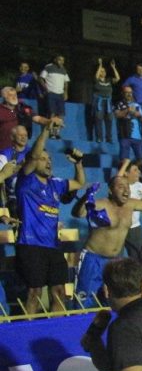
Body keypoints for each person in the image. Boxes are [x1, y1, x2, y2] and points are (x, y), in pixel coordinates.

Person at [15, 119, 85, 314]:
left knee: (59, 291)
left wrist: (78, 164)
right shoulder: (26, 181)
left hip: (53, 246)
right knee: (34, 293)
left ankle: (55, 329)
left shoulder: (55, 183)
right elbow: (34, 154)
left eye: (50, 160)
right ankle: (26, 333)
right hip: (31, 246)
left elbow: (79, 183)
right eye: (44, 159)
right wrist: (46, 130)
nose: (48, 162)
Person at [72, 175, 142, 308]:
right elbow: (78, 213)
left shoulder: (130, 204)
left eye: (127, 187)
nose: (126, 190)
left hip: (115, 261)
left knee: (114, 299)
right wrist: (86, 197)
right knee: (84, 301)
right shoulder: (102, 203)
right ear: (110, 191)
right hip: (93, 259)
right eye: (120, 186)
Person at [121, 63, 142, 143]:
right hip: (136, 104)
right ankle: (137, 138)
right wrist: (130, 97)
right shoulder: (132, 79)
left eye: (141, 69)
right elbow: (124, 87)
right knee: (136, 121)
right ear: (136, 70)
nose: (140, 70)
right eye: (138, 69)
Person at [114, 86, 142, 162]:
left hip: (137, 137)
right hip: (124, 135)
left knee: (141, 160)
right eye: (127, 92)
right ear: (123, 93)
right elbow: (117, 115)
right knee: (124, 159)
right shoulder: (119, 104)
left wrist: (136, 113)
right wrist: (128, 110)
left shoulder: (137, 105)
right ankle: (124, 172)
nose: (129, 94)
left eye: (130, 92)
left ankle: (135, 171)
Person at [39, 55, 70, 128]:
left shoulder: (63, 69)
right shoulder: (48, 67)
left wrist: (66, 93)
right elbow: (41, 78)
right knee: (52, 113)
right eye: (59, 60)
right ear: (55, 60)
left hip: (60, 94)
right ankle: (50, 131)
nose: (61, 62)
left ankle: (57, 132)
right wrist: (46, 89)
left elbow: (66, 82)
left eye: (63, 60)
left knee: (61, 114)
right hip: (51, 93)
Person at [92, 58, 118, 143]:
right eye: (101, 71)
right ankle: (99, 138)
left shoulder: (109, 80)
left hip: (108, 103)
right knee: (98, 120)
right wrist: (100, 65)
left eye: (104, 71)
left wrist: (113, 67)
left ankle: (109, 138)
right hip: (99, 102)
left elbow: (117, 78)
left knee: (109, 120)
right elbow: (96, 76)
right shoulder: (96, 80)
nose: (102, 72)